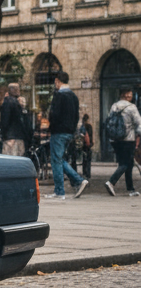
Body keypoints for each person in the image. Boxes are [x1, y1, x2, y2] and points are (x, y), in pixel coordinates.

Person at [46, 70, 87, 200]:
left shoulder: (59, 95)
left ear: (57, 81)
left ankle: (61, 190)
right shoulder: (73, 96)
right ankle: (77, 181)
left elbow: (54, 114)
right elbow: (76, 116)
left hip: (58, 131)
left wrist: (51, 125)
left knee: (56, 160)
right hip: (69, 132)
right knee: (60, 159)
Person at [104, 87, 141, 196]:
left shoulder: (114, 106)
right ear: (127, 96)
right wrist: (138, 137)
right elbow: (139, 124)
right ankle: (111, 182)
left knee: (126, 163)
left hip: (115, 139)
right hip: (128, 139)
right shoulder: (132, 107)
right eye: (130, 95)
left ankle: (130, 189)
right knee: (127, 163)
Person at [0, 82, 30, 156]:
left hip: (10, 138)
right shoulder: (19, 104)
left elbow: (5, 121)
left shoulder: (7, 103)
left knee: (9, 161)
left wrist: (3, 134)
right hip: (20, 137)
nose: (19, 90)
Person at [78, 113, 94, 180]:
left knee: (84, 160)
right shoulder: (89, 127)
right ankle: (88, 174)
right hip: (88, 145)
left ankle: (85, 172)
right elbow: (90, 136)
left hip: (83, 145)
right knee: (88, 160)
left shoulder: (82, 127)